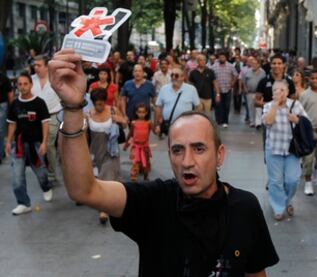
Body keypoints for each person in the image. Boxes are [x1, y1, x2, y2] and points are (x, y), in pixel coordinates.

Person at [48, 48, 279, 276]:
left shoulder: (244, 208)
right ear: (169, 156)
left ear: (220, 155)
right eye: (178, 150)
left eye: (199, 149)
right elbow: (84, 190)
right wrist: (72, 107)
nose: (187, 161)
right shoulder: (153, 203)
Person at [6, 72, 53, 215]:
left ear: (31, 85)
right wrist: (8, 142)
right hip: (19, 145)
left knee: (41, 173)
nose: (22, 87)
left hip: (36, 144)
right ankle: (23, 203)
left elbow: (45, 124)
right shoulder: (15, 104)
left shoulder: (39, 103)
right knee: (17, 176)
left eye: (25, 83)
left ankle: (46, 187)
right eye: (19, 84)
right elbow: (12, 124)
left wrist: (44, 143)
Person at [263, 80, 308, 221]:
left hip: (292, 150)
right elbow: (268, 122)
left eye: (282, 90)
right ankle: (279, 207)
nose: (279, 93)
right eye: (276, 90)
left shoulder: (295, 105)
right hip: (273, 148)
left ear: (288, 92)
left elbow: (307, 124)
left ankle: (286, 200)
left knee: (292, 180)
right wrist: (275, 106)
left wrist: (297, 120)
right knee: (275, 181)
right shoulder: (268, 106)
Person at [87, 88, 127, 224]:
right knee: (99, 178)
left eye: (102, 103)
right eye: (97, 104)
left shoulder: (112, 110)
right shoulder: (88, 114)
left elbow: (125, 123)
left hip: (111, 150)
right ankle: (112, 202)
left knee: (107, 175)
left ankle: (104, 210)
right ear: (93, 103)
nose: (100, 106)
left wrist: (119, 119)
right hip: (95, 150)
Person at [31, 55, 62, 184]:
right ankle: (43, 169)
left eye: (39, 65)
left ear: (46, 66)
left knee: (49, 145)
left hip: (53, 116)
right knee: (38, 145)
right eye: (35, 65)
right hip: (35, 118)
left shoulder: (54, 78)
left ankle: (52, 173)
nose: (36, 68)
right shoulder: (31, 80)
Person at [299, 69, 317, 196]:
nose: (315, 80)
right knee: (308, 158)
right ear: (308, 80)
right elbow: (299, 113)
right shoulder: (304, 95)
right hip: (308, 132)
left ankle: (315, 168)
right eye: (312, 78)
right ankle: (308, 181)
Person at [155, 67, 201, 136]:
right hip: (170, 126)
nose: (173, 77)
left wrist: (194, 121)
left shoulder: (191, 89)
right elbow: (158, 106)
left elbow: (198, 106)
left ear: (183, 78)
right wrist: (158, 123)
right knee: (172, 145)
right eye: (172, 75)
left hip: (186, 126)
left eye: (176, 75)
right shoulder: (164, 89)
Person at [124, 103, 154, 182]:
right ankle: (133, 179)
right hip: (136, 147)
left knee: (146, 163)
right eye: (139, 112)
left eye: (143, 112)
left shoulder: (149, 123)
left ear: (146, 112)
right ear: (136, 113)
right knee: (135, 163)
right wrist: (126, 144)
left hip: (145, 147)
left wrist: (158, 129)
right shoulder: (134, 123)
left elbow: (154, 131)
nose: (141, 114)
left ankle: (145, 177)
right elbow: (130, 134)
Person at [211, 52, 238, 128]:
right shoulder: (214, 67)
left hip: (227, 88)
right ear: (218, 58)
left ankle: (225, 121)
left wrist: (233, 82)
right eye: (220, 57)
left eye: (223, 57)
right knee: (218, 105)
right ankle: (218, 121)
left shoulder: (230, 66)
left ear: (226, 58)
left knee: (227, 106)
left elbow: (236, 75)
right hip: (217, 89)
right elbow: (211, 76)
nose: (222, 58)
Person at [241, 56, 266, 128]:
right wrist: (245, 88)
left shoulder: (263, 72)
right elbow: (243, 81)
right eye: (252, 64)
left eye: (255, 64)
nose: (253, 65)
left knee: (258, 108)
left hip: (259, 93)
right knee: (250, 107)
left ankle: (258, 122)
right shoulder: (247, 71)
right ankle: (252, 121)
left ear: (259, 65)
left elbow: (264, 82)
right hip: (250, 92)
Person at [0, 71, 13, 164]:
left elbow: (10, 93)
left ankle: (0, 154)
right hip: (3, 105)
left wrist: (12, 107)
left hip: (2, 105)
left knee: (1, 130)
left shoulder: (3, 78)